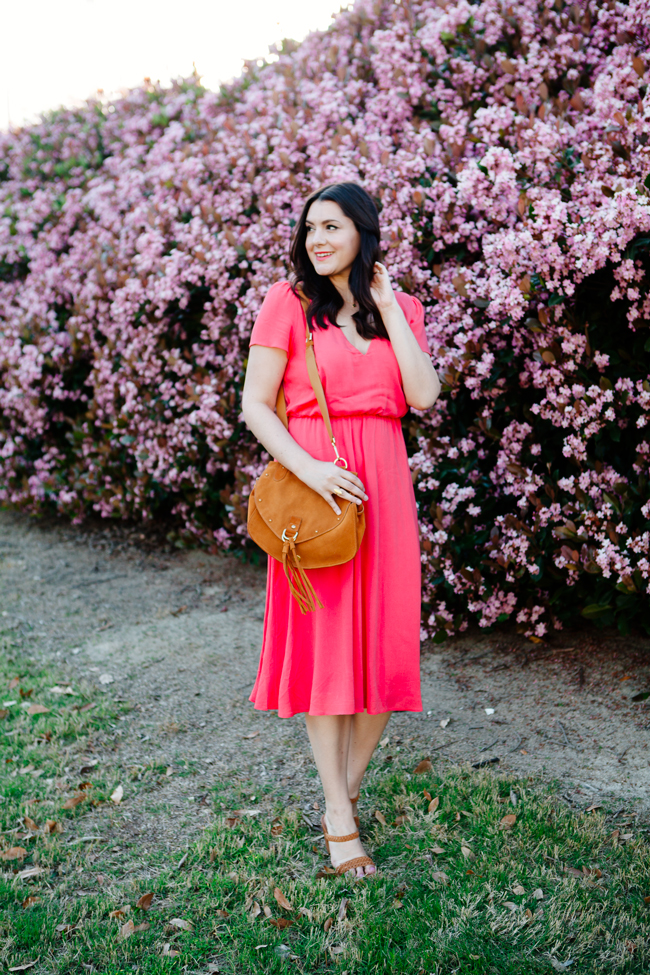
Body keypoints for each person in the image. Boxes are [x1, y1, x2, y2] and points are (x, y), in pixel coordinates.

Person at [241, 181, 440, 878]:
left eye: (331, 226)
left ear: (363, 232)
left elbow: (423, 396)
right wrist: (313, 469)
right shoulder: (288, 302)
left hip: (384, 484)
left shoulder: (400, 307)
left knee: (386, 646)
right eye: (310, 228)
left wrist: (389, 305)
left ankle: (344, 794)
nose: (317, 239)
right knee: (328, 652)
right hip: (316, 487)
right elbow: (255, 404)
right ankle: (338, 814)